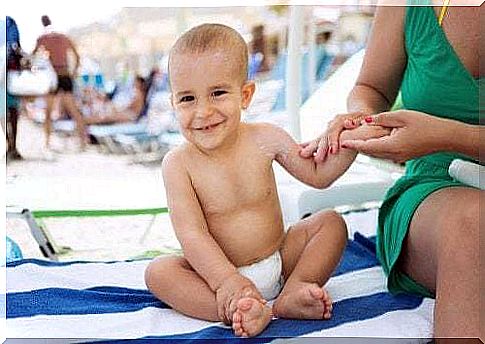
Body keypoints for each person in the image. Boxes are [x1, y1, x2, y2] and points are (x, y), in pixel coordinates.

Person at [144, 23, 391, 338]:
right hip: (217, 277)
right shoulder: (178, 164)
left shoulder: (267, 138)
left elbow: (318, 174)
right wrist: (227, 282)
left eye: (218, 93)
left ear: (245, 95)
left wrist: (353, 139)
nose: (203, 111)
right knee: (159, 272)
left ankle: (295, 289)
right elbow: (192, 235)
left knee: (330, 224)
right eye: (187, 99)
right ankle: (236, 309)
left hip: (281, 259)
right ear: (174, 104)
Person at [300, 5, 481, 340]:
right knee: (474, 222)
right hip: (434, 193)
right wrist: (363, 119)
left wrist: (449, 135)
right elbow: (372, 88)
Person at [33, 15, 88, 150]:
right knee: (73, 110)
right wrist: (74, 71)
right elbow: (77, 55)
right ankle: (83, 141)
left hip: (53, 77)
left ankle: (47, 143)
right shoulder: (63, 37)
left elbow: (34, 57)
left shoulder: (42, 39)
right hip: (65, 74)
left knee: (48, 112)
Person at [82, 75, 148, 124]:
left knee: (106, 117)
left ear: (140, 84)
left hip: (131, 115)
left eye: (135, 82)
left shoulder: (139, 94)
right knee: (106, 115)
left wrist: (117, 109)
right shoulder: (137, 93)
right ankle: (86, 120)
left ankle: (85, 121)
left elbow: (132, 107)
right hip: (128, 113)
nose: (133, 84)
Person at [5, 16, 24, 160]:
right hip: (10, 71)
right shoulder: (10, 21)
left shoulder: (10, 21)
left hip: (9, 72)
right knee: (12, 112)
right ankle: (12, 146)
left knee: (7, 112)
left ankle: (10, 145)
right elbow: (16, 47)